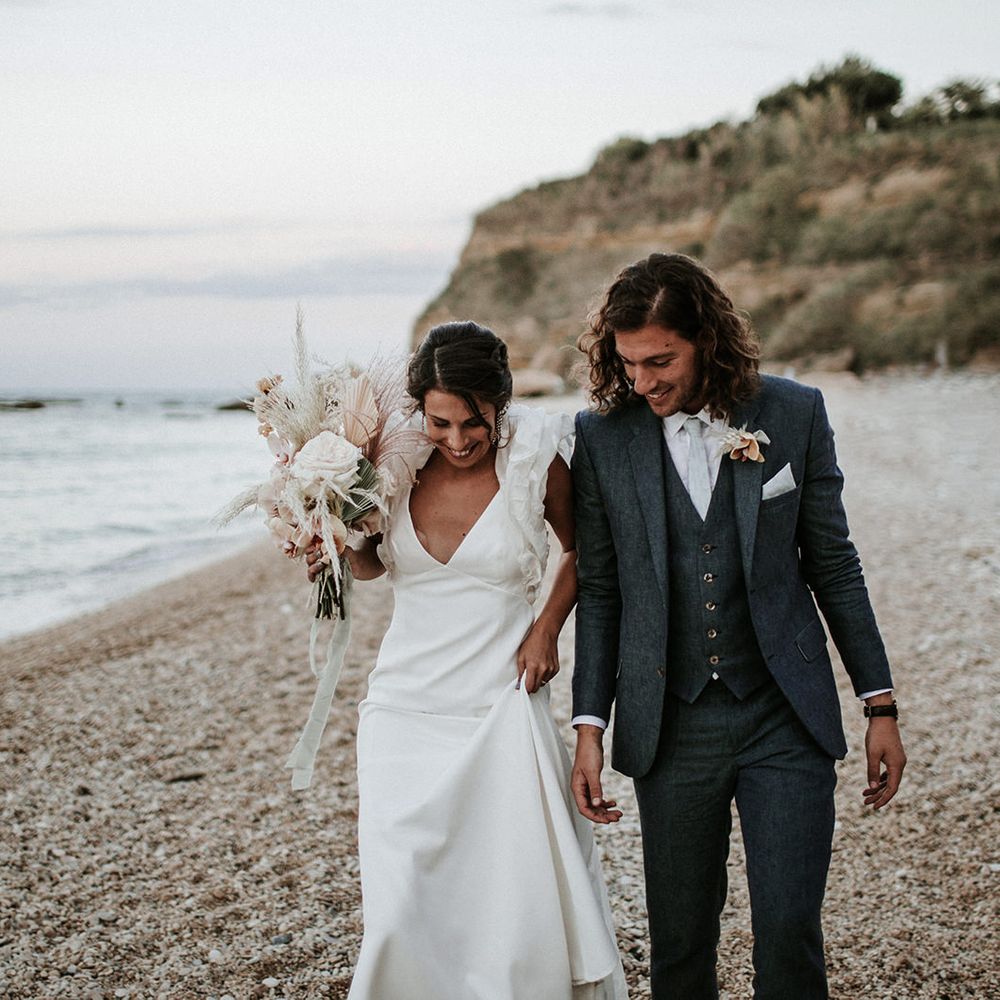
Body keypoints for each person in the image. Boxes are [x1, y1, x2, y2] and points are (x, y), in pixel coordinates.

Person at [569, 253, 906, 999]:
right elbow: (601, 592)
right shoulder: (601, 439)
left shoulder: (793, 413)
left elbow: (835, 565)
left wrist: (878, 703)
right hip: (671, 724)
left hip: (783, 715)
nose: (645, 382)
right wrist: (589, 725)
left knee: (789, 939)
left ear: (706, 341)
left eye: (661, 361)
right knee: (680, 948)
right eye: (628, 365)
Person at [308, 321, 628, 1000]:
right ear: (420, 411)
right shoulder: (393, 462)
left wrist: (546, 626)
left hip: (499, 702)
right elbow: (370, 566)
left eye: (473, 422)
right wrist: (333, 540)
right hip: (401, 708)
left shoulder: (537, 456)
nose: (456, 440)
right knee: (401, 903)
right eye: (440, 422)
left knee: (507, 903)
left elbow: (584, 553)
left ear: (499, 405)